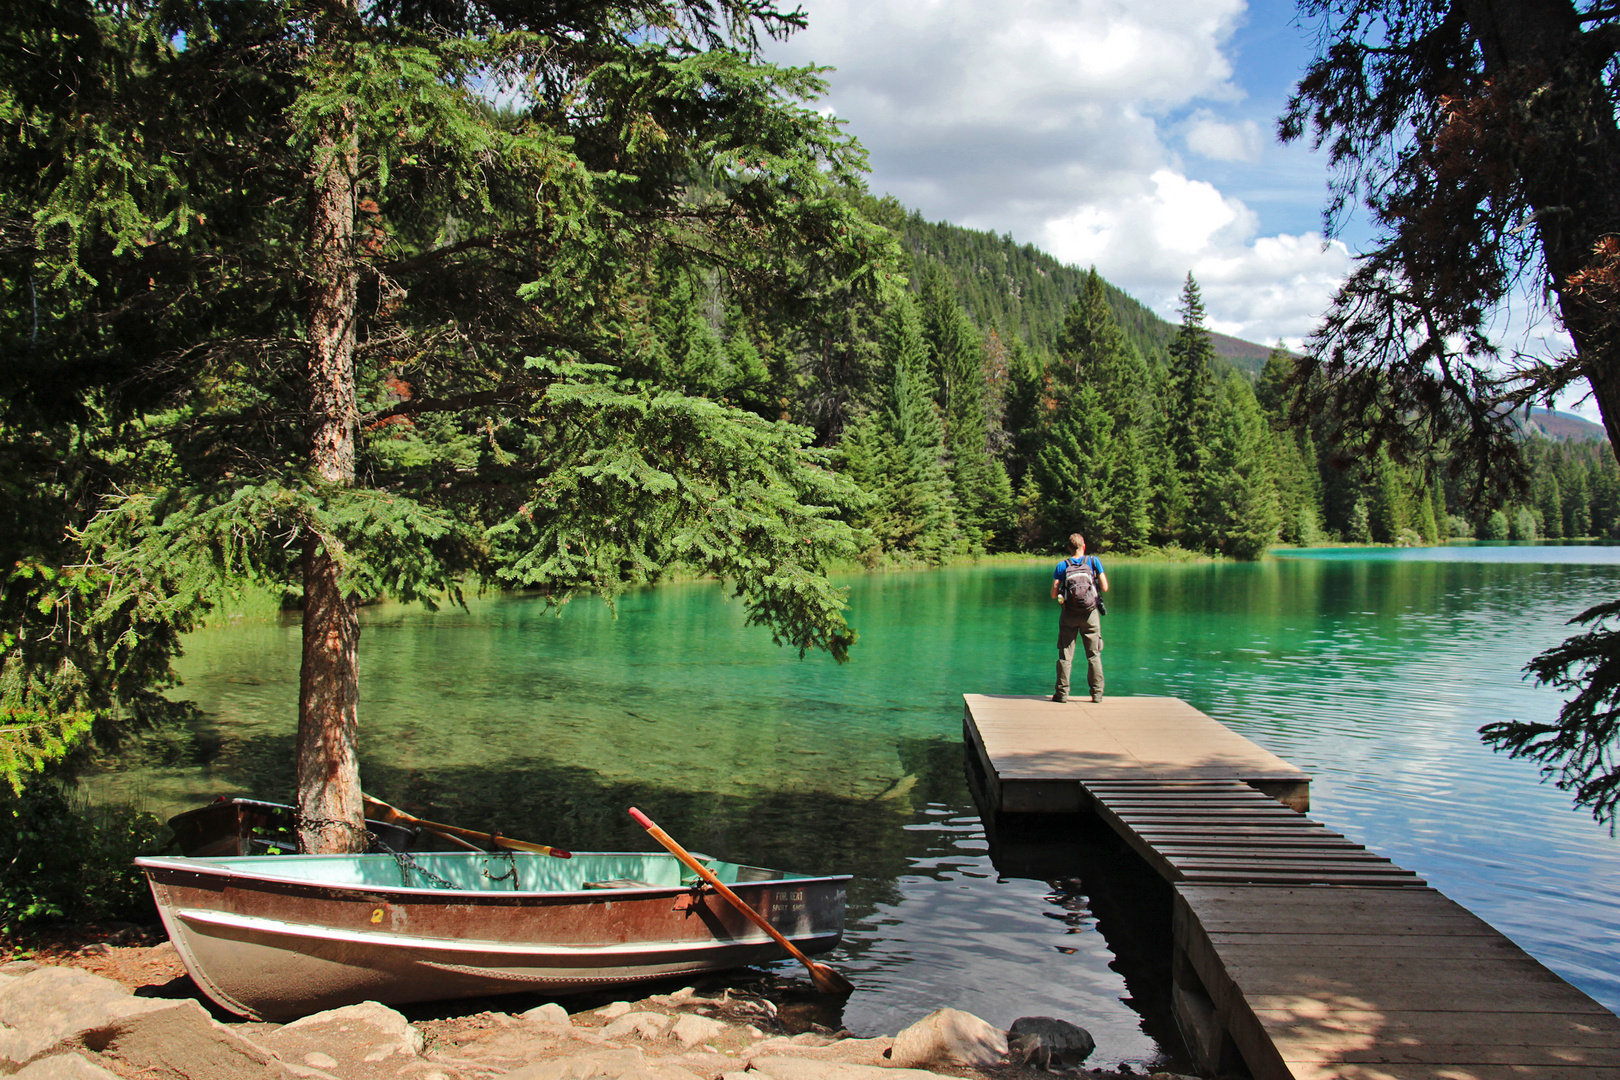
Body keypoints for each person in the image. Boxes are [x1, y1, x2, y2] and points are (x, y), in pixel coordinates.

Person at [1051, 533, 1108, 703]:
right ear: (1084, 546)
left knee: (1065, 656)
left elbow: (1054, 594)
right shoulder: (1093, 562)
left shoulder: (1062, 565)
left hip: (1068, 615)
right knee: (1093, 655)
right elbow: (1104, 587)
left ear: (1069, 548)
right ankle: (1097, 694)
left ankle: (1062, 694)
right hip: (1090, 614)